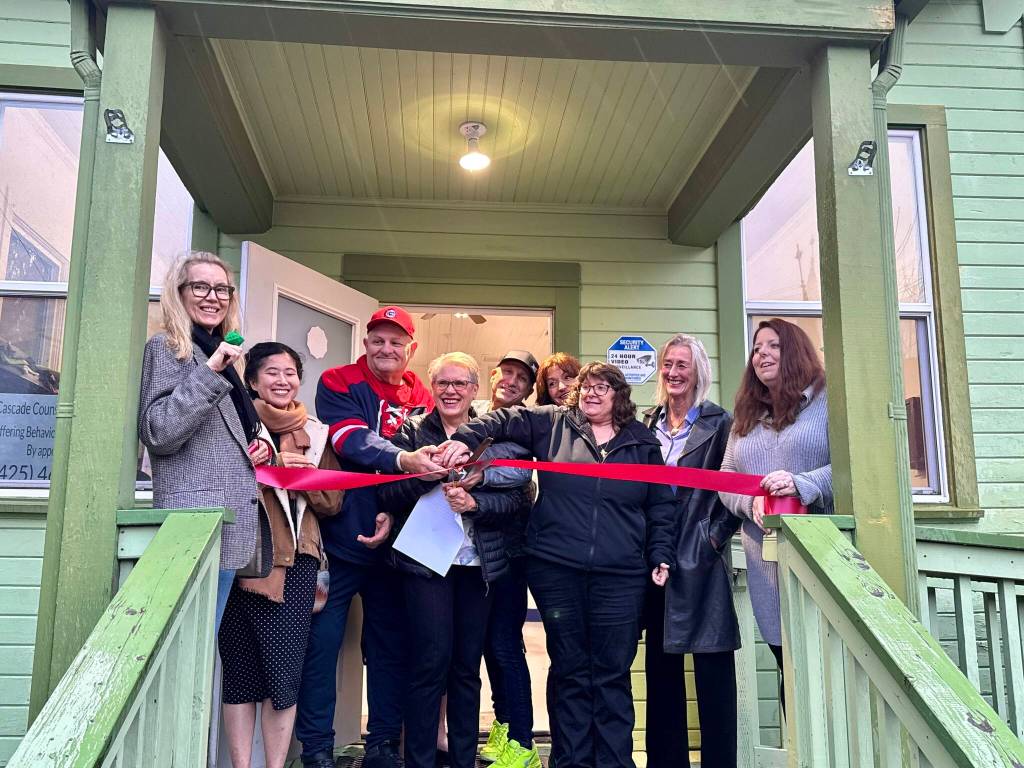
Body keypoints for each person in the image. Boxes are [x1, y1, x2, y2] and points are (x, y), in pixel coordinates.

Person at [437, 362, 677, 768]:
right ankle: (571, 760)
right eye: (586, 387)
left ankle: (615, 761)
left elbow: (661, 506)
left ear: (619, 396)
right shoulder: (553, 424)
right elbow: (504, 417)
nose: (593, 394)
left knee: (611, 672)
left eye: (603, 388)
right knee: (569, 669)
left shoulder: (641, 442)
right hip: (557, 571)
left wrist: (661, 553)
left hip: (621, 576)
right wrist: (465, 438)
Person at [296, 306, 443, 768]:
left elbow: (430, 462)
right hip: (339, 540)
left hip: (398, 540)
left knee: (389, 644)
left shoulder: (424, 392)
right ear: (365, 343)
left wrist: (389, 507)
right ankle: (317, 748)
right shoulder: (339, 381)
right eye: (378, 339)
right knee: (322, 643)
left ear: (411, 348)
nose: (387, 348)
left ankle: (382, 743)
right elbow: (349, 441)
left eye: (396, 341)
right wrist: (404, 460)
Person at [378, 352, 528, 768]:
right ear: (433, 387)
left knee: (466, 667)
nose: (451, 391)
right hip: (426, 564)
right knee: (430, 663)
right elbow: (386, 494)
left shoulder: (493, 435)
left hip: (478, 567)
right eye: (443, 383)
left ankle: (463, 760)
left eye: (460, 383)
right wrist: (421, 476)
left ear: (475, 390)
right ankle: (421, 761)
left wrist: (475, 502)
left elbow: (517, 499)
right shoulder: (410, 432)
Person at [219, 342, 343, 768]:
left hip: (296, 562)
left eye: (290, 373)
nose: (282, 381)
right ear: (251, 380)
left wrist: (297, 474)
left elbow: (333, 501)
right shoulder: (233, 422)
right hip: (238, 557)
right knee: (239, 676)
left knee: (284, 677)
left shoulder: (316, 431)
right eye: (271, 372)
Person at [139, 251, 267, 632]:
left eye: (222, 289)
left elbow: (226, 435)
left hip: (225, 530)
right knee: (186, 646)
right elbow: (158, 431)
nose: (213, 297)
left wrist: (257, 449)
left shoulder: (219, 353)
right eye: (200, 286)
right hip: (191, 530)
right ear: (179, 293)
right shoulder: (168, 348)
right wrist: (211, 371)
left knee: (201, 649)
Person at [718, 318, 832, 698]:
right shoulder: (745, 414)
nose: (761, 354)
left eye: (773, 345)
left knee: (820, 673)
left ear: (795, 351)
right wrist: (748, 501)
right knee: (789, 670)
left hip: (819, 559)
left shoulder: (828, 401)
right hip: (765, 564)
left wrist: (805, 484)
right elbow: (726, 476)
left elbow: (854, 468)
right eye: (756, 348)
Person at [641, 334, 740, 768]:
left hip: (700, 557)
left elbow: (735, 490)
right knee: (661, 671)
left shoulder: (721, 423)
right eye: (668, 364)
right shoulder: (647, 423)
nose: (673, 372)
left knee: (712, 670)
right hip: (655, 556)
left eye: (683, 364)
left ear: (698, 371)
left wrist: (713, 539)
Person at [471, 351, 540, 764]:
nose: (511, 381)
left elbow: (520, 472)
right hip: (472, 553)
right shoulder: (474, 413)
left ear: (530, 389)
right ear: (493, 375)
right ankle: (502, 730)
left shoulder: (527, 424)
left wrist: (479, 473)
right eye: (506, 372)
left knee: (505, 645)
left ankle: (523, 744)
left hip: (511, 554)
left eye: (521, 378)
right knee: (482, 647)